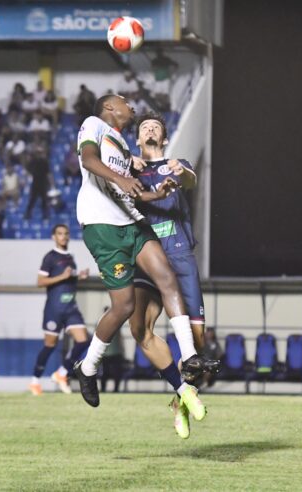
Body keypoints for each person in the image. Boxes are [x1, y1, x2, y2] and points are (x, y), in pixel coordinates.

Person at [72, 94, 210, 433]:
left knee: (171, 285)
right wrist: (124, 176)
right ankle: (88, 367)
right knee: (126, 312)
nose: (131, 107)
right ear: (109, 109)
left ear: (163, 137)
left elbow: (143, 190)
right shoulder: (96, 128)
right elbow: (89, 160)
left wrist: (158, 193)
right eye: (124, 103)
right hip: (105, 229)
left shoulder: (130, 149)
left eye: (153, 125)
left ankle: (188, 365)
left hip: (142, 229)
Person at [128, 112, 220, 391]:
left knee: (197, 339)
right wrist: (125, 162)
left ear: (164, 138)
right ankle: (175, 384)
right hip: (149, 255)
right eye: (145, 127)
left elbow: (190, 180)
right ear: (137, 139)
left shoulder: (177, 165)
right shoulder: (129, 170)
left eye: (155, 126)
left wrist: (182, 173)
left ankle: (182, 397)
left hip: (179, 253)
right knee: (141, 327)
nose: (150, 129)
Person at [30, 224, 90, 395]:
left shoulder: (70, 258)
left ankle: (61, 373)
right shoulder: (50, 257)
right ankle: (35, 381)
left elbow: (68, 280)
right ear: (54, 237)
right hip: (54, 309)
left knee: (83, 340)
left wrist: (79, 276)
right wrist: (62, 276)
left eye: (66, 233)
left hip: (70, 307)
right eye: (60, 234)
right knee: (49, 345)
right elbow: (40, 282)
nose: (63, 236)